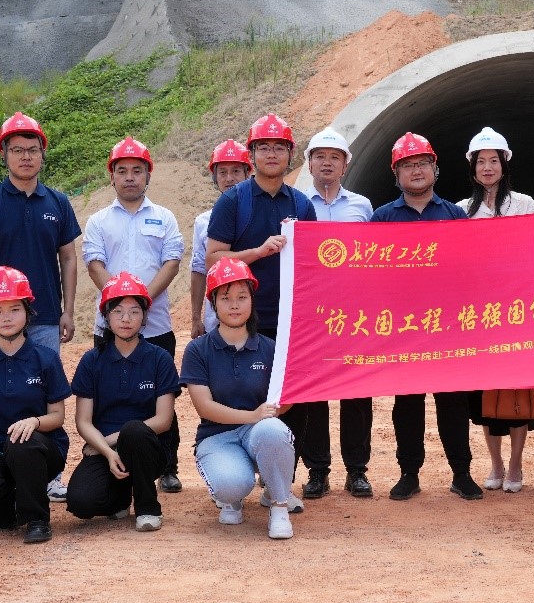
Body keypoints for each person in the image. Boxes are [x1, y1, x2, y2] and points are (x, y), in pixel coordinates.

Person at [0, 111, 81, 503]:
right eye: (17, 150)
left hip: (44, 316)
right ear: (4, 154)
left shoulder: (58, 203)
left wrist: (67, 309)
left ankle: (50, 474)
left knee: (44, 396)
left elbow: (68, 258)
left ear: (43, 154)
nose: (25, 156)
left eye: (32, 149)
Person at [206, 113, 316, 512]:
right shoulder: (234, 201)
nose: (272, 154)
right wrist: (258, 252)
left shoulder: (301, 203)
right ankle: (231, 476)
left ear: (290, 154)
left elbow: (313, 262)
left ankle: (280, 484)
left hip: (289, 321)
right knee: (240, 395)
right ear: (251, 154)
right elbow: (214, 257)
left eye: (279, 147)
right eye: (264, 147)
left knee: (291, 401)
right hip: (242, 320)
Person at [370, 132, 483, 501]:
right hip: (403, 328)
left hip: (447, 327)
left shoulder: (453, 215)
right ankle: (409, 473)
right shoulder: (382, 218)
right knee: (407, 403)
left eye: (422, 163)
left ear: (435, 169)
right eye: (407, 165)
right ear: (396, 174)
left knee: (453, 402)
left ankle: (461, 473)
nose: (415, 170)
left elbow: (469, 270)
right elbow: (369, 275)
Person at [81, 136, 185, 494]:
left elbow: (171, 263)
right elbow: (94, 265)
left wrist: (141, 304)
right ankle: (104, 458)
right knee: (106, 396)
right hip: (110, 327)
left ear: (148, 175)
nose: (129, 177)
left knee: (162, 397)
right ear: (112, 176)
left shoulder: (165, 218)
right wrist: (120, 307)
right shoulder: (98, 221)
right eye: (122, 170)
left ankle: (167, 466)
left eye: (137, 170)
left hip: (156, 326)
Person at [0, 266, 71, 543]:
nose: (6, 318)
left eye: (14, 309)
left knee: (22, 442)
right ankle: (11, 504)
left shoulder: (46, 358)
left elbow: (57, 415)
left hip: (40, 450)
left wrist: (34, 422)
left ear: (28, 312)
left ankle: (37, 519)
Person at [457, 127, 534, 493]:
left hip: (517, 313)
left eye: (494, 160)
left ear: (504, 165)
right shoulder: (461, 210)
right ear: (473, 168)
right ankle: (494, 463)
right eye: (481, 161)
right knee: (486, 393)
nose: (488, 167)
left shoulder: (524, 204)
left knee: (516, 392)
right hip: (480, 318)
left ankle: (516, 464)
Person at [182, 258, 296, 540]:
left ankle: (279, 504)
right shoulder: (198, 350)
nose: (234, 305)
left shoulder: (270, 348)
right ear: (213, 303)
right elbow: (204, 407)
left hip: (259, 432)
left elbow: (285, 398)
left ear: (252, 301)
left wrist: (270, 412)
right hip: (217, 436)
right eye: (226, 298)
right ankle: (232, 498)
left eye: (242, 297)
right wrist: (253, 415)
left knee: (273, 430)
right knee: (231, 485)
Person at [66, 273, 178, 532]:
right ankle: (121, 496)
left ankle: (148, 507)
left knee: (134, 430)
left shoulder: (159, 358)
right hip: (104, 451)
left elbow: (163, 420)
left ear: (144, 316)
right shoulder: (92, 360)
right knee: (81, 503)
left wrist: (109, 441)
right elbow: (83, 421)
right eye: (117, 311)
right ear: (106, 316)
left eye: (134, 311)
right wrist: (107, 452)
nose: (126, 319)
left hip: (148, 449)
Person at [298, 127, 375, 500]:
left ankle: (357, 470)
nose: (327, 163)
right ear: (309, 163)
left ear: (346, 165)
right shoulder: (296, 205)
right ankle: (318, 471)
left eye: (335, 157)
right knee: (313, 393)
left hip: (354, 314)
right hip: (311, 314)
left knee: (356, 392)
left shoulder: (362, 206)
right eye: (320, 157)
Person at [190, 140, 252, 340]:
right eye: (222, 172)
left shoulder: (257, 215)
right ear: (214, 178)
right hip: (215, 320)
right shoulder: (203, 222)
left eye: (236, 171)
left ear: (248, 174)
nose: (229, 178)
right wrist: (195, 318)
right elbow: (199, 269)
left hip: (255, 318)